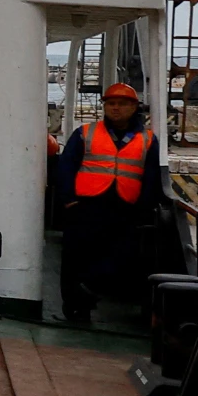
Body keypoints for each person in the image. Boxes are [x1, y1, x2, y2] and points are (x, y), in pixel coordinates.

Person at [50, 82, 164, 323]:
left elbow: (151, 177)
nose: (115, 108)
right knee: (75, 259)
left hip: (124, 208)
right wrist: (69, 201)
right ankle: (74, 311)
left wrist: (143, 211)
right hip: (86, 206)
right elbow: (66, 168)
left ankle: (89, 290)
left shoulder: (148, 140)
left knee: (119, 258)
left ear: (134, 107)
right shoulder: (85, 133)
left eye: (122, 104)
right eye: (111, 103)